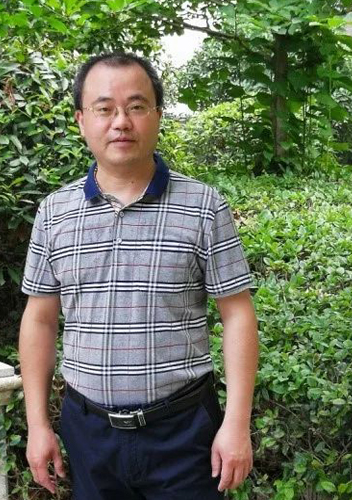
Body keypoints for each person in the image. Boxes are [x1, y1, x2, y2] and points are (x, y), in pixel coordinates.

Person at [19, 52, 259, 500]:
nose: (121, 122)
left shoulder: (204, 207)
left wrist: (237, 423)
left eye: (136, 106)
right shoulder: (54, 213)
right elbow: (40, 320)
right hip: (88, 433)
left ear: (158, 115)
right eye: (104, 108)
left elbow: (237, 314)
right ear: (81, 120)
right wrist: (37, 424)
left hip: (184, 431)